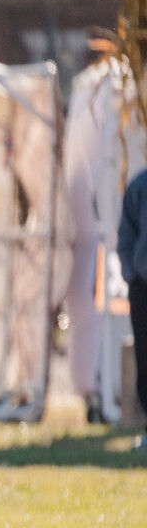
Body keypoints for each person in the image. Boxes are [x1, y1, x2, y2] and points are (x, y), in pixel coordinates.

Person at [117, 167, 147, 447]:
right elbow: (125, 234)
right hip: (142, 286)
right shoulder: (140, 185)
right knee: (144, 356)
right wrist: (131, 273)